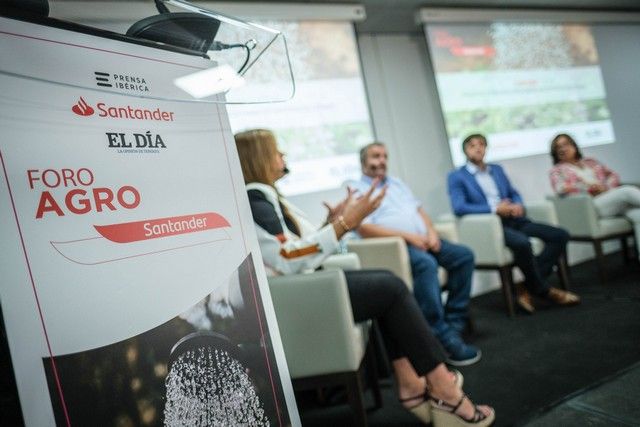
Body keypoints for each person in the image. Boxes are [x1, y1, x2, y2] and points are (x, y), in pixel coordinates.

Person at [234, 129, 494, 427]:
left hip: (309, 285)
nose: (283, 156)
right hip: (299, 295)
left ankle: (412, 385)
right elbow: (288, 258)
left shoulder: (266, 196)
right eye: (276, 151)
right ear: (258, 158)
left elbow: (291, 247)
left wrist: (330, 223)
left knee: (387, 288)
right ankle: (444, 389)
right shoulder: (256, 198)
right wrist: (345, 223)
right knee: (389, 287)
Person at [348, 142, 480, 367]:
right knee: (426, 265)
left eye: (385, 156)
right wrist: (409, 238)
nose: (381, 161)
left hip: (423, 240)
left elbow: (418, 210)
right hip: (395, 247)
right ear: (363, 162)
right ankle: (439, 334)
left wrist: (430, 232)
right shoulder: (356, 188)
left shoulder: (397, 183)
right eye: (375, 156)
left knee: (464, 256)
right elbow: (363, 228)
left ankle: (453, 323)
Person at [447, 133, 580, 314]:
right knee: (521, 243)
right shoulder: (457, 176)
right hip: (492, 226)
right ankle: (543, 290)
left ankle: (526, 286)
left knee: (560, 235)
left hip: (514, 219)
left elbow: (513, 192)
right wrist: (494, 209)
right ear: (464, 150)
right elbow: (459, 207)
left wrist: (518, 204)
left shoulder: (497, 169)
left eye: (481, 144)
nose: (478, 148)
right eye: (472, 145)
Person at [549, 133, 640, 250]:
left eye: (565, 144)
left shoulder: (591, 162)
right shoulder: (557, 171)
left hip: (610, 199)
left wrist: (604, 187)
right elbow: (560, 189)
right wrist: (588, 188)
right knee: (627, 191)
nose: (562, 149)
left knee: (638, 215)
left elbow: (612, 175)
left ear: (574, 146)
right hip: (592, 205)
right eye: (558, 147)